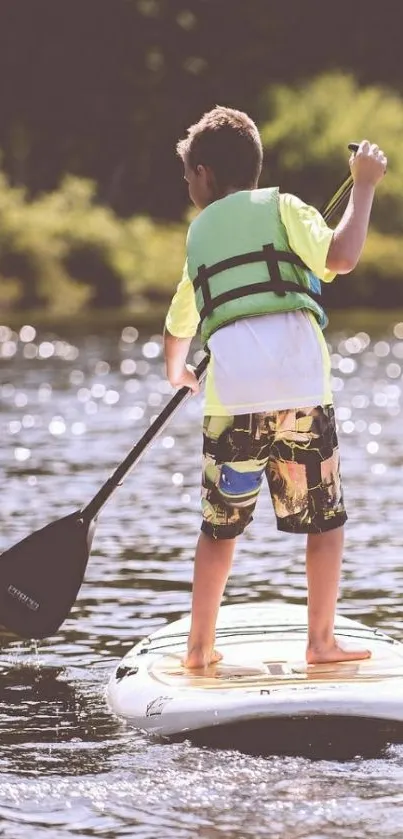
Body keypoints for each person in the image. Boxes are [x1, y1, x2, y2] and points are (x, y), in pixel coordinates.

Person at [163, 105, 387, 669]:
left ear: (206, 174)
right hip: (301, 395)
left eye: (189, 174)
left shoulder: (198, 235)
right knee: (325, 523)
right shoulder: (285, 207)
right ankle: (320, 643)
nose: (188, 184)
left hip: (233, 402)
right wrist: (363, 188)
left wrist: (178, 372)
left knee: (219, 530)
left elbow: (180, 322)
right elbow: (342, 255)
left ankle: (198, 649)